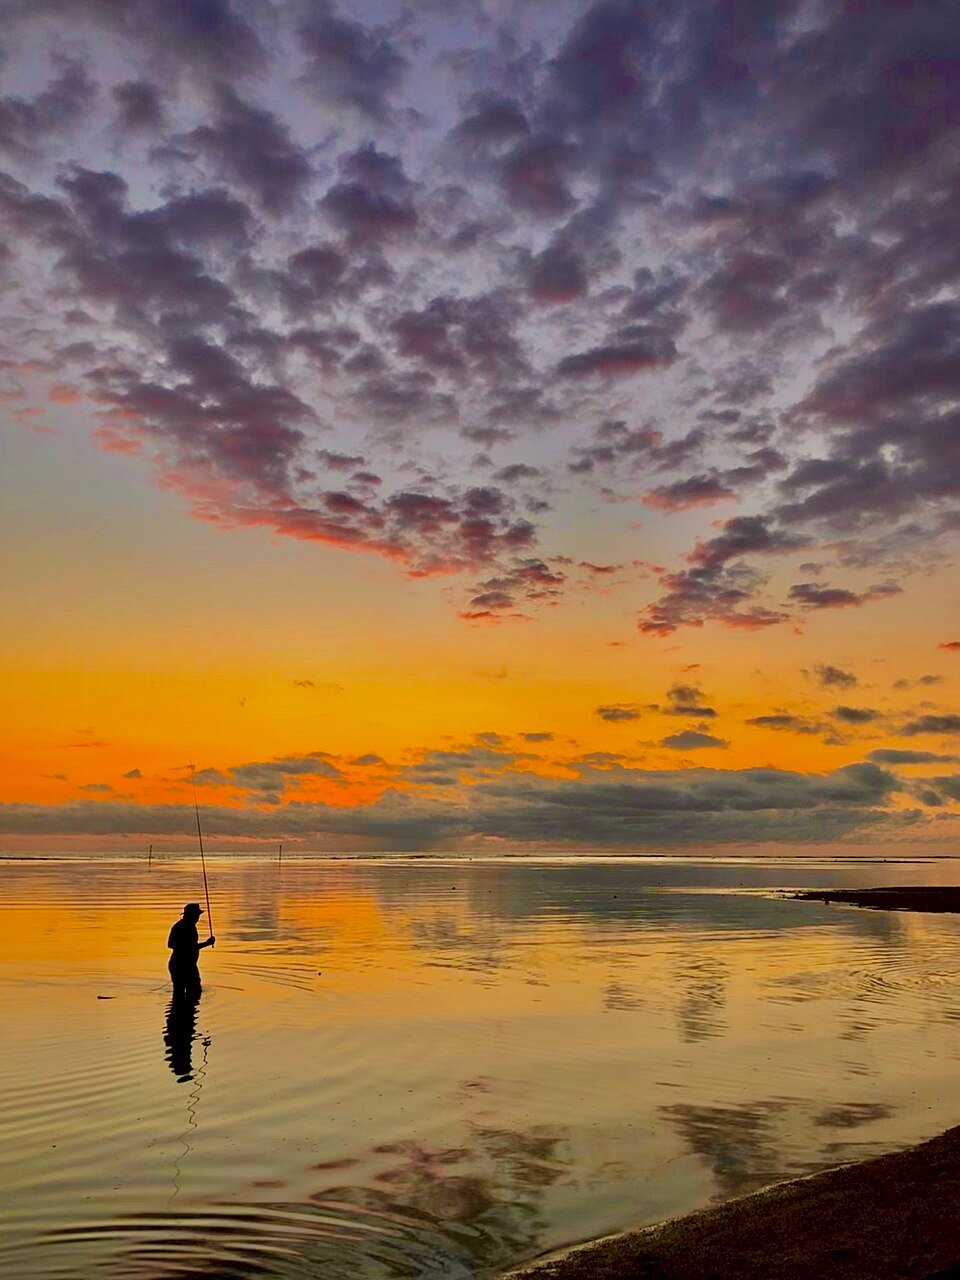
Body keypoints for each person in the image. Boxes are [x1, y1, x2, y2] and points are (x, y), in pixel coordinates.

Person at [167, 902, 215, 996]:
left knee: (194, 993)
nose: (197, 918)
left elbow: (191, 946)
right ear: (190, 915)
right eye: (196, 915)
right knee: (183, 993)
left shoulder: (191, 927)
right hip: (180, 966)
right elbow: (171, 944)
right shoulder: (180, 926)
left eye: (198, 915)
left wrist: (206, 943)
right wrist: (207, 943)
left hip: (189, 965)